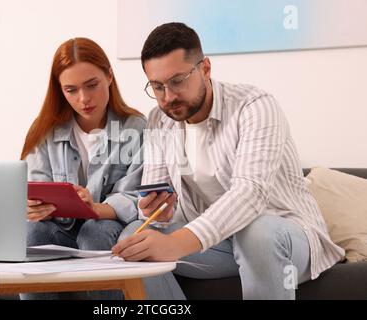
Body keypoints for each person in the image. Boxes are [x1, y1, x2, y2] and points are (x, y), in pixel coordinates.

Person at [112, 22, 345, 300]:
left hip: (285, 236)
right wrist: (157, 212)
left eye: (177, 81)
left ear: (205, 68)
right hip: (219, 244)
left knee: (256, 232)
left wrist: (176, 243)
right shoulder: (160, 120)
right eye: (158, 86)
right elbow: (157, 194)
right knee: (133, 241)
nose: (169, 97)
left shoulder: (255, 106)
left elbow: (250, 193)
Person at [20, 37, 146, 299]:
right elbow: (33, 187)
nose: (84, 98)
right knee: (29, 233)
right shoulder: (44, 131)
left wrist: (96, 208)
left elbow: (138, 197)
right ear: (60, 90)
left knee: (94, 231)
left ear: (109, 76)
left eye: (92, 85)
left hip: (106, 229)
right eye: (71, 90)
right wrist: (31, 207)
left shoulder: (135, 127)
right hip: (58, 228)